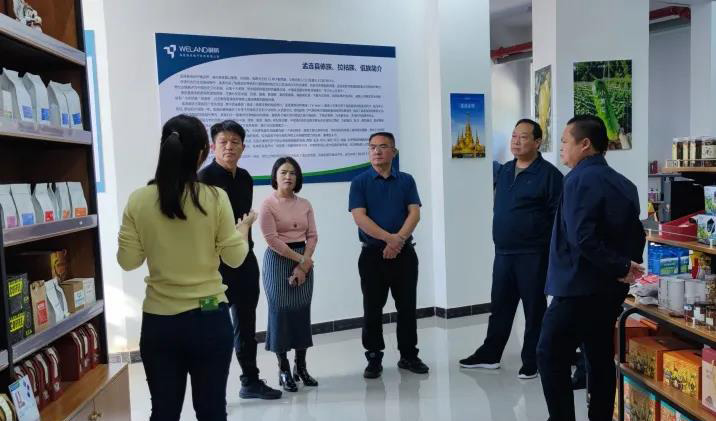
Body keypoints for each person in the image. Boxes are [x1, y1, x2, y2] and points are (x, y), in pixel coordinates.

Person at [117, 114, 253, 420]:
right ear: (203, 152)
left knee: (164, 412)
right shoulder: (215, 197)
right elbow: (235, 258)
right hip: (209, 318)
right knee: (211, 411)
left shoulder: (139, 200)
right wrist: (242, 231)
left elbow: (128, 261)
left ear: (164, 147)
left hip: (159, 324)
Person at [537, 115, 646, 421]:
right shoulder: (624, 184)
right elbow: (635, 235)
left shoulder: (578, 180)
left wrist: (620, 265)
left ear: (585, 144)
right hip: (609, 290)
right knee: (599, 357)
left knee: (549, 354)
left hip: (577, 289)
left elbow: (582, 237)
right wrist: (624, 268)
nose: (561, 147)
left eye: (564, 141)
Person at [460, 119, 563, 379]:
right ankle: (490, 354)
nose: (516, 142)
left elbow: (558, 219)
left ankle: (533, 359)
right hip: (504, 252)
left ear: (537, 142)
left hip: (533, 254)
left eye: (523, 137)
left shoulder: (549, 175)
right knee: (500, 306)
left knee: (534, 309)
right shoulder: (505, 170)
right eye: (514, 136)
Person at [198, 120, 281, 400]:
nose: (229, 147)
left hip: (245, 263)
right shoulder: (203, 180)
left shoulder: (245, 177)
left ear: (243, 147)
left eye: (235, 142)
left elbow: (243, 220)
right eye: (223, 142)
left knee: (246, 324)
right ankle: (212, 391)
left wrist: (241, 234)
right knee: (211, 328)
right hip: (213, 269)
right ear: (213, 147)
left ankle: (250, 381)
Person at [349, 132, 428, 379]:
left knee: (407, 306)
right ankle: (374, 357)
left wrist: (398, 240)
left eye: (383, 147)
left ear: (394, 152)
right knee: (372, 307)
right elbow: (359, 217)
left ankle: (409, 355)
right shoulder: (360, 182)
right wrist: (389, 239)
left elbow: (414, 213)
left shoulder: (406, 180)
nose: (377, 151)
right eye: (372, 147)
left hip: (404, 253)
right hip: (372, 255)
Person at [259, 156, 318, 392]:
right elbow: (272, 240)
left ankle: (300, 367)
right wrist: (301, 260)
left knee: (302, 311)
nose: (288, 176)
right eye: (283, 172)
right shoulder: (267, 204)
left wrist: (303, 264)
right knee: (281, 312)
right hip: (278, 260)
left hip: (303, 258)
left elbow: (312, 235)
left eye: (292, 173)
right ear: (275, 176)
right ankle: (283, 369)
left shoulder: (305, 204)